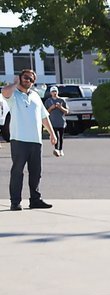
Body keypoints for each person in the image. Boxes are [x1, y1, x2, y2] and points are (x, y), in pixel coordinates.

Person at [0, 69, 57, 211]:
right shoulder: (14, 94)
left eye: (31, 79)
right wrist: (15, 83)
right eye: (26, 78)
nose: (28, 81)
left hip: (35, 140)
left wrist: (52, 133)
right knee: (17, 171)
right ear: (20, 78)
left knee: (36, 172)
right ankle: (15, 202)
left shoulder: (36, 96)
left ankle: (35, 200)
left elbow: (44, 116)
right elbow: (4, 92)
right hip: (19, 140)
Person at [44, 86, 68, 157]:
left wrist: (60, 107)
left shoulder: (62, 100)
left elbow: (67, 111)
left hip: (61, 121)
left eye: (55, 91)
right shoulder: (48, 101)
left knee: (61, 136)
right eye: (53, 91)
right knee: (55, 136)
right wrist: (51, 108)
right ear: (50, 93)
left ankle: (61, 149)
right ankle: (56, 149)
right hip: (52, 122)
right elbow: (45, 112)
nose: (54, 93)